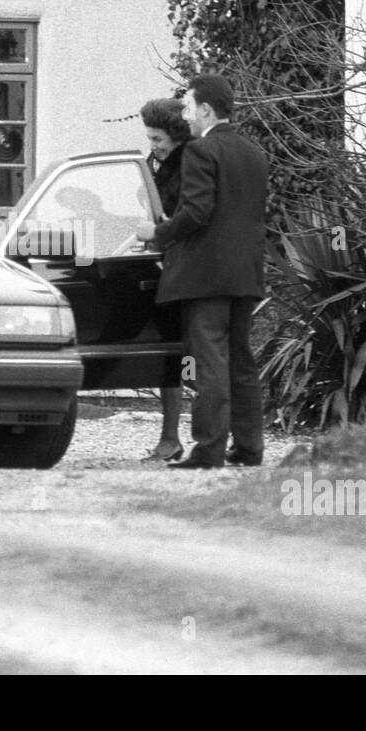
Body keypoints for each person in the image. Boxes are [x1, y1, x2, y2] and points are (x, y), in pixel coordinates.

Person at [136, 74, 268, 469]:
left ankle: (209, 450)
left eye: (190, 106)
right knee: (242, 363)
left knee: (209, 365)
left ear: (207, 109)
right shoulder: (253, 152)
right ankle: (249, 448)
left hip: (205, 276)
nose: (187, 115)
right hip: (245, 273)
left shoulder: (200, 151)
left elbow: (196, 212)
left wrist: (157, 232)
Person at [139, 98, 192, 462]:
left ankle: (181, 436)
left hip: (187, 266)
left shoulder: (190, 162)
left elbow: (182, 215)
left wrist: (157, 229)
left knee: (184, 355)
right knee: (171, 353)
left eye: (157, 139)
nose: (153, 146)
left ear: (173, 135)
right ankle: (170, 436)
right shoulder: (160, 162)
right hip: (168, 262)